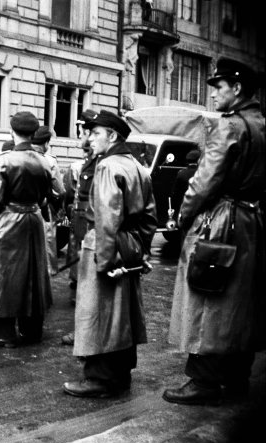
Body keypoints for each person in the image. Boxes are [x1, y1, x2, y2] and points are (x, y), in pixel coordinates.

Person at [162, 58, 266, 405]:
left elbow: (203, 182)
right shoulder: (262, 124)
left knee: (207, 294)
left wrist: (182, 219)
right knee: (244, 302)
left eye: (219, 87)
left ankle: (203, 381)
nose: (214, 95)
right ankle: (237, 378)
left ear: (237, 89)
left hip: (222, 220)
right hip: (253, 221)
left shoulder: (230, 126)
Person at [63, 110, 157, 398]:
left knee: (99, 314)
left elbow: (106, 219)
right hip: (128, 246)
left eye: (95, 132)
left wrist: (104, 261)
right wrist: (137, 251)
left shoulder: (107, 166)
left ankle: (99, 379)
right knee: (122, 315)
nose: (90, 138)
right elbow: (150, 218)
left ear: (112, 135)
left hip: (105, 244)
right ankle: (119, 375)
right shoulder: (137, 166)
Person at [0, 111, 53, 348]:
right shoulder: (44, 160)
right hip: (34, 219)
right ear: (33, 133)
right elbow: (47, 196)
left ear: (12, 131)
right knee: (33, 274)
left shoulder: (5, 160)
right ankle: (32, 330)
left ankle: (3, 333)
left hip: (9, 221)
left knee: (5, 275)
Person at [61, 109, 97, 346]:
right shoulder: (88, 162)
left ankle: (87, 332)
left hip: (91, 226)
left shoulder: (98, 162)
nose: (79, 136)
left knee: (88, 277)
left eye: (80, 131)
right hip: (82, 222)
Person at [31, 125, 65, 276]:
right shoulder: (49, 161)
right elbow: (60, 189)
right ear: (45, 143)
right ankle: (48, 273)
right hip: (43, 208)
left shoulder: (15, 156)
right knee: (47, 242)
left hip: (18, 210)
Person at [171, 148, 200, 218]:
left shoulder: (181, 173)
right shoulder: (200, 173)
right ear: (198, 160)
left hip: (184, 206)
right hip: (197, 207)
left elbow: (176, 193)